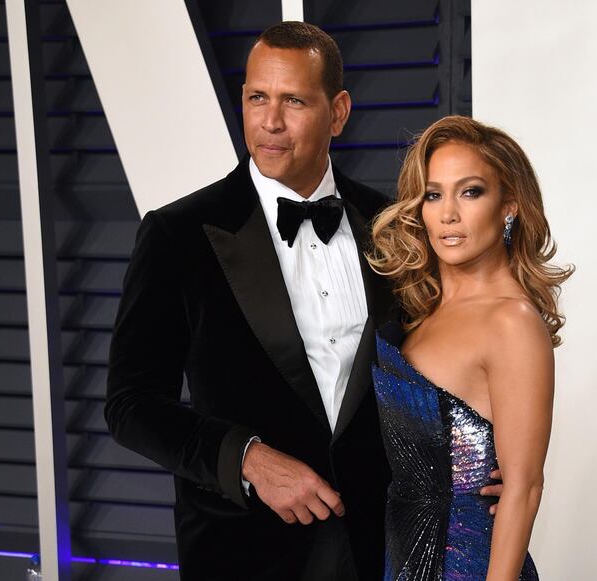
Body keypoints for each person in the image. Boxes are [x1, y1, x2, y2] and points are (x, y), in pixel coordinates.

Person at [105, 22, 403, 580]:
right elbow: (130, 404)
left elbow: (435, 368)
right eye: (256, 97)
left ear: (337, 112)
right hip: (243, 554)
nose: (269, 121)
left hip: (382, 551)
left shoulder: (394, 229)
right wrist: (247, 459)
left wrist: (475, 461)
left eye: (293, 100)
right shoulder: (177, 234)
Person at [367, 115, 573, 580]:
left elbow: (523, 487)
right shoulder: (421, 313)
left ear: (510, 206)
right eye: (434, 194)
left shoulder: (512, 321)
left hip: (471, 564)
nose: (448, 214)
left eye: (471, 191)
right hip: (402, 558)